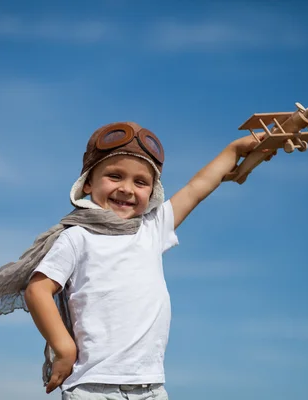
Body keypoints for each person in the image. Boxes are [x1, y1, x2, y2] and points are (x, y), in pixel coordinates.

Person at [22, 121, 271, 399]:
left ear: (152, 192)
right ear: (88, 183)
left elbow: (196, 188)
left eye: (141, 182)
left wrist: (234, 149)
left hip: (151, 388)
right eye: (115, 176)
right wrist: (64, 349)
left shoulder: (151, 228)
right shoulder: (77, 237)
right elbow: (38, 290)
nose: (127, 189)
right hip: (92, 387)